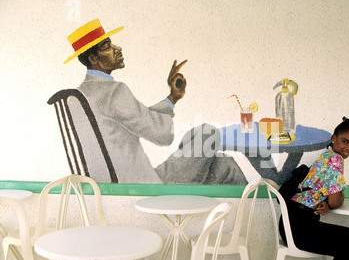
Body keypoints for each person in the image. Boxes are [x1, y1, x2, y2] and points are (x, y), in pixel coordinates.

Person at [63, 19, 247, 184]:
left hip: (115, 182)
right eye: (107, 46)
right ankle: (262, 203)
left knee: (224, 164)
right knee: (208, 132)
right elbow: (162, 135)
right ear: (93, 58)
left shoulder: (80, 95)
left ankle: (256, 203)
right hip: (145, 185)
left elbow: (135, 117)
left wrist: (172, 98)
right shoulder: (115, 92)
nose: (117, 49)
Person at [279, 117, 349, 260]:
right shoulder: (335, 160)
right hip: (299, 229)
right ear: (333, 138)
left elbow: (321, 196)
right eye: (345, 141)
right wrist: (337, 199)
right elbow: (336, 202)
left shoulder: (326, 155)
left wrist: (325, 202)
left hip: (291, 223)